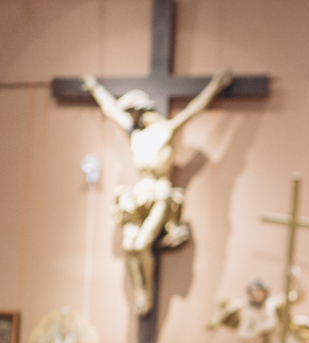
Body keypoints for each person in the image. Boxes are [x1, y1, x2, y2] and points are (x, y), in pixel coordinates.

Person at [82, 70, 232, 314]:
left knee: (141, 244)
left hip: (160, 192)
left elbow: (194, 109)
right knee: (129, 244)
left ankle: (145, 294)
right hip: (139, 195)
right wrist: (95, 89)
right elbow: (111, 111)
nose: (130, 118)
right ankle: (139, 291)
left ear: (142, 111)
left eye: (132, 113)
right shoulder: (136, 136)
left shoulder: (167, 130)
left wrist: (214, 87)